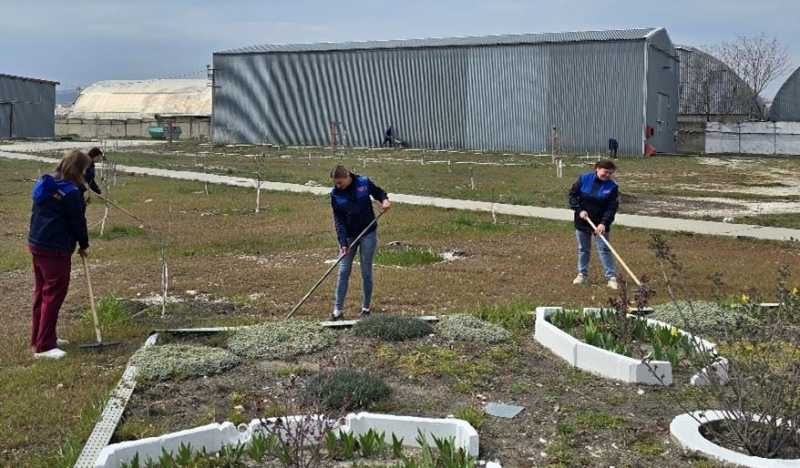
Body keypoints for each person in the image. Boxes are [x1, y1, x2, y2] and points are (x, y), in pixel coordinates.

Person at [28, 149, 91, 359]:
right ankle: (45, 346)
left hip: (37, 242)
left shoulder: (49, 182)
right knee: (53, 294)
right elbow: (77, 221)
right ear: (79, 169)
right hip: (55, 248)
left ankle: (41, 336)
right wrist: (84, 244)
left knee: (42, 292)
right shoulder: (71, 191)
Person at [329, 165, 391, 320]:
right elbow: (339, 221)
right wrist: (343, 243)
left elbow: (378, 192)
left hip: (368, 233)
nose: (337, 186)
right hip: (349, 237)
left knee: (366, 271)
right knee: (343, 271)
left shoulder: (363, 182)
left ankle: (366, 309)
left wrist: (384, 200)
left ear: (348, 177)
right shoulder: (335, 194)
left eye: (340, 182)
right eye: (335, 183)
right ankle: (337, 311)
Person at [568, 160, 619, 290]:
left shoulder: (612, 187)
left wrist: (603, 223)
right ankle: (582, 274)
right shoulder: (584, 179)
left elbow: (611, 208)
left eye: (610, 173)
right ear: (597, 168)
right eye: (605, 172)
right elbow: (572, 196)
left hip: (601, 223)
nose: (607, 175)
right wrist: (579, 210)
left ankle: (611, 277)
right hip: (583, 220)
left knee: (604, 249)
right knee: (583, 249)